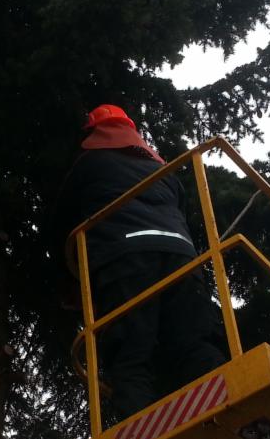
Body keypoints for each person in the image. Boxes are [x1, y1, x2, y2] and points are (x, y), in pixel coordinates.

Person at [54, 104, 229, 422]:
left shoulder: (90, 164)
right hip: (184, 260)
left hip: (127, 259)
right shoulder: (165, 173)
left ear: (93, 132)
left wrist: (70, 283)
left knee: (131, 355)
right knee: (195, 345)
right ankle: (231, 427)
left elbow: (63, 224)